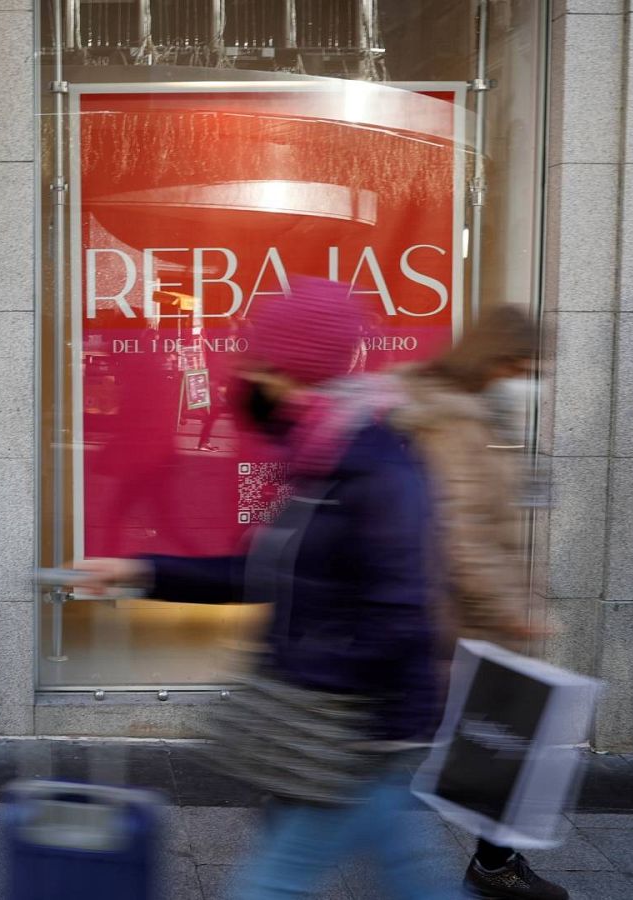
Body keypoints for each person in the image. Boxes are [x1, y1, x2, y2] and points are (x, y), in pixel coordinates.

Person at [77, 277, 456, 900]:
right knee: (412, 873)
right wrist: (140, 570)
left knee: (269, 886)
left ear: (285, 362)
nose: (244, 363)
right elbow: (264, 573)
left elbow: (401, 614)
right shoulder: (320, 450)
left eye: (258, 350)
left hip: (354, 725)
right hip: (343, 720)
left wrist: (310, 678)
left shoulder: (372, 465)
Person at [392, 306, 568, 900]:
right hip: (450, 614)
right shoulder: (452, 421)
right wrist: (508, 607)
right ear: (494, 358)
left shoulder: (464, 411)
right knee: (449, 740)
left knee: (488, 739)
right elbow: (460, 533)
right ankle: (490, 864)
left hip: (458, 610)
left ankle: (494, 860)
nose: (524, 375)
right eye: (520, 363)